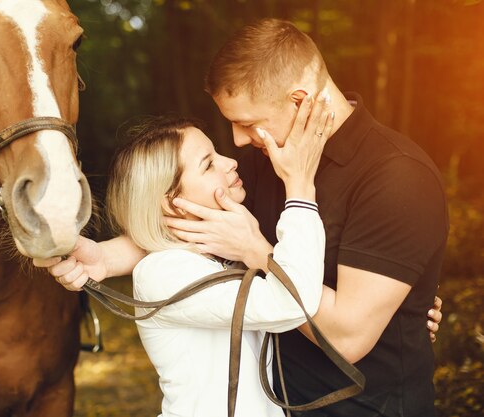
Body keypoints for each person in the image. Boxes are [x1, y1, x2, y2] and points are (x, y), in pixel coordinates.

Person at [36, 18, 446, 416]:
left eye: (247, 123)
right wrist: (106, 258)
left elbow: (346, 337)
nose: (236, 141)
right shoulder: (261, 163)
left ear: (300, 102)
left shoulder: (397, 177)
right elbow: (188, 221)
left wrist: (256, 250)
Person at [84, 100, 333, 416]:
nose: (229, 162)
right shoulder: (162, 272)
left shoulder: (217, 254)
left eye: (217, 153)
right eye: (208, 164)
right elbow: (294, 303)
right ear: (175, 203)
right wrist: (299, 186)